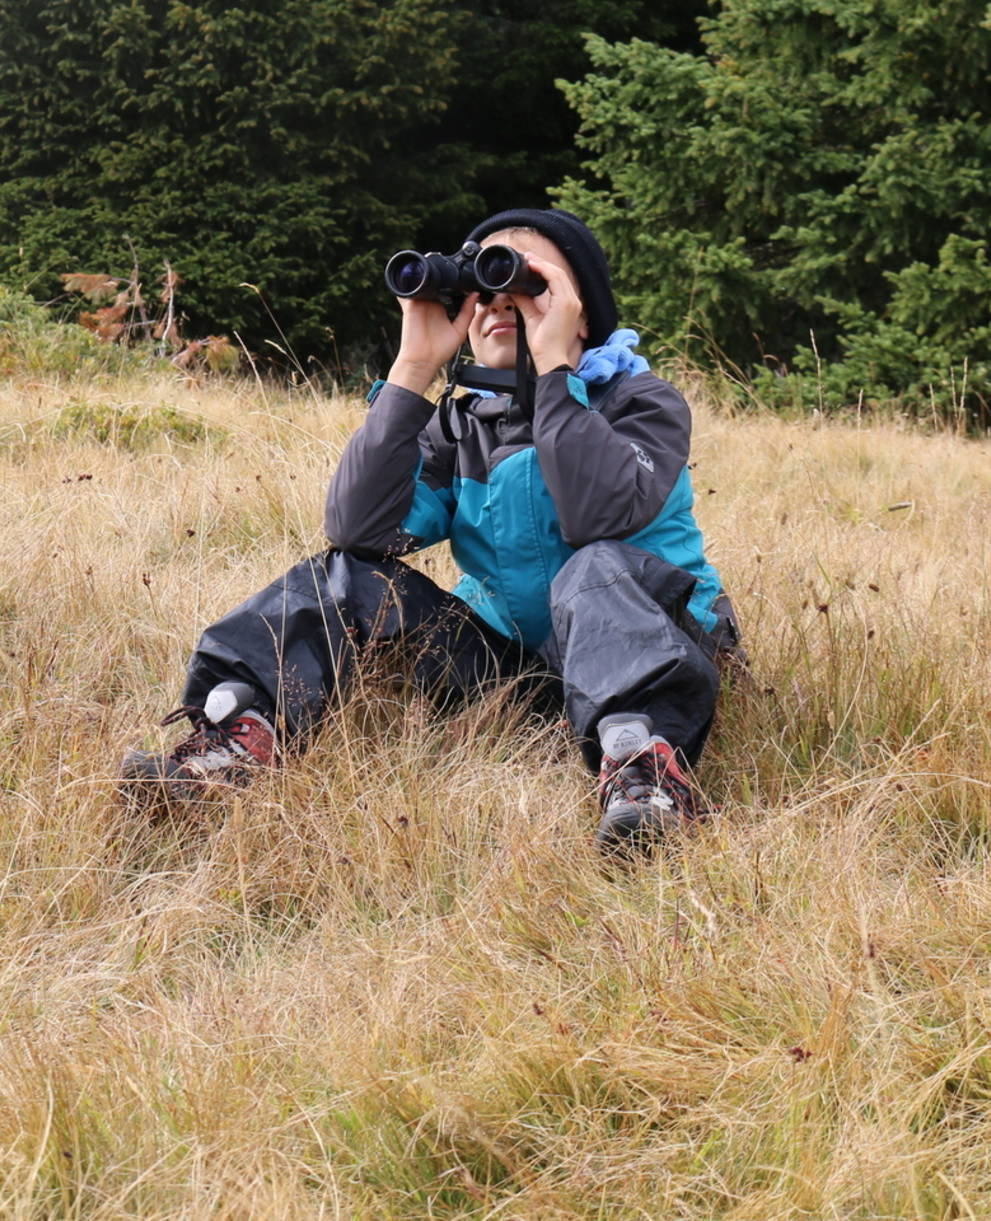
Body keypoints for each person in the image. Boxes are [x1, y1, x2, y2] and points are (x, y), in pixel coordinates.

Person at [122, 208, 740, 854]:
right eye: (480, 293)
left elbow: (598, 516)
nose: (497, 306)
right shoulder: (463, 425)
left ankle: (646, 774)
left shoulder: (638, 401)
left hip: (659, 650)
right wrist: (412, 371)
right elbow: (360, 531)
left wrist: (554, 369)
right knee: (344, 576)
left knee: (592, 567)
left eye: (525, 287)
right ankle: (232, 742)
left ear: (578, 312)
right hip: (522, 674)